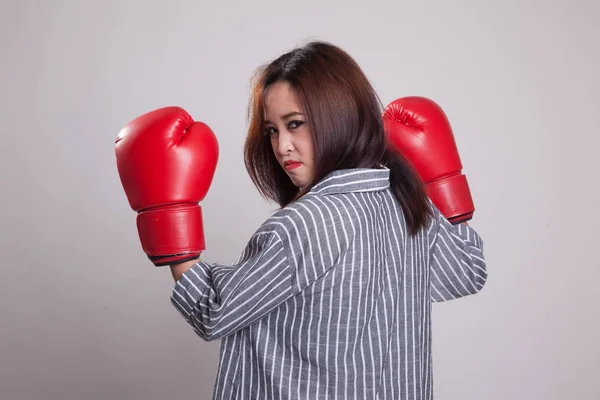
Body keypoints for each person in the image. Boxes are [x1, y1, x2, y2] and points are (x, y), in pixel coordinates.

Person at [115, 40, 487, 399]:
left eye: (295, 124)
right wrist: (442, 185)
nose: (281, 147)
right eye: (272, 130)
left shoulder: (307, 223)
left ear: (338, 117)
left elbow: (214, 311)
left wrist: (168, 218)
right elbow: (466, 271)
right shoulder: (405, 202)